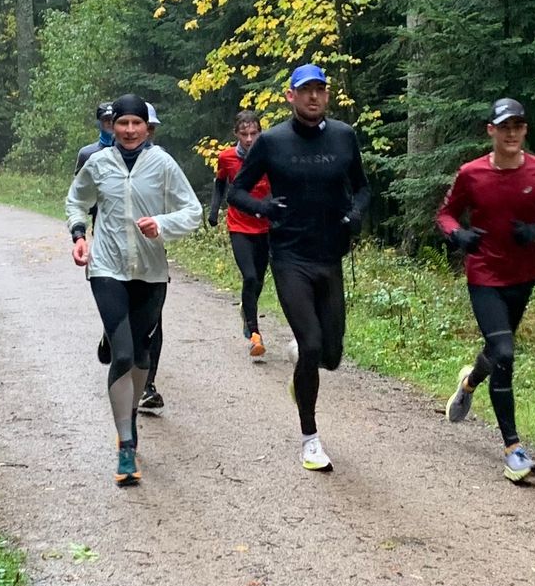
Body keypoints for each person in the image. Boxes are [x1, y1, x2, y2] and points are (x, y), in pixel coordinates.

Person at [229, 64, 370, 473]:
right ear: (290, 96)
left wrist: (356, 213)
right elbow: (237, 191)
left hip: (330, 256)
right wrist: (264, 208)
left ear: (327, 95)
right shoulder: (272, 141)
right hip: (290, 256)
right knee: (309, 344)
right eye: (305, 90)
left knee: (331, 354)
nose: (313, 97)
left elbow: (363, 187)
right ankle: (310, 439)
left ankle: (302, 373)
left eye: (319, 90)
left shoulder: (343, 136)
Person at [436, 97, 535, 483]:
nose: (511, 133)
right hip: (484, 274)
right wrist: (458, 235)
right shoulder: (471, 173)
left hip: (523, 275)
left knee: (497, 350)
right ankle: (513, 449)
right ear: (491, 131)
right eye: (504, 127)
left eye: (518, 126)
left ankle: (469, 382)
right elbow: (445, 214)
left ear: (525, 130)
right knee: (505, 352)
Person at [66, 94, 202, 486]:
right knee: (123, 354)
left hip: (150, 272)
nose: (128, 130)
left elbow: (192, 211)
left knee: (142, 354)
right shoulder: (98, 163)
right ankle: (126, 444)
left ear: (147, 128)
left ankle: (130, 416)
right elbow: (76, 201)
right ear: (113, 126)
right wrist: (79, 234)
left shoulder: (163, 164)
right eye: (122, 123)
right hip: (106, 268)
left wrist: (162, 224)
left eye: (135, 123)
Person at [208, 109, 272, 358]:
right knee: (250, 277)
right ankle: (255, 334)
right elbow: (220, 184)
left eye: (254, 134)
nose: (249, 139)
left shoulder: (269, 154)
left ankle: (247, 309)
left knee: (259, 280)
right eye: (244, 134)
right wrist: (214, 211)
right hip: (239, 225)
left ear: (260, 133)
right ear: (236, 134)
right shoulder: (226, 157)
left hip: (265, 226)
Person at [75, 101, 116, 365]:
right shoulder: (88, 153)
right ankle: (110, 331)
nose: (110, 127)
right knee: (107, 281)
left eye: (113, 121)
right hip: (101, 224)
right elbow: (79, 192)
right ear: (100, 123)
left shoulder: (133, 151)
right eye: (106, 122)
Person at [138, 102, 166, 414]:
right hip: (115, 254)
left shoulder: (162, 162)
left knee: (153, 319)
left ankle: (147, 385)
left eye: (151, 128)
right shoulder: (102, 159)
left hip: (153, 251)